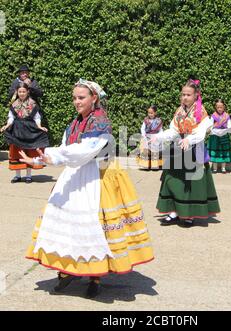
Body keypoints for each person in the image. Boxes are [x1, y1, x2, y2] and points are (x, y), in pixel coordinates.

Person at [20, 79, 154, 299]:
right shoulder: (74, 124)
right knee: (67, 221)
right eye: (74, 98)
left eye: (81, 98)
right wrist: (41, 160)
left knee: (97, 225)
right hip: (76, 174)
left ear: (94, 99)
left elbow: (84, 150)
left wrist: (53, 155)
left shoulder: (100, 123)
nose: (76, 102)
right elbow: (68, 149)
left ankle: (95, 276)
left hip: (99, 177)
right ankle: (71, 269)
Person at [154, 78, 220, 227]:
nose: (185, 97)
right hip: (178, 149)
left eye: (188, 95)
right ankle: (174, 211)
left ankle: (189, 213)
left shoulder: (200, 112)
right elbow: (173, 130)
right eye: (183, 94)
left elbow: (201, 133)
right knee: (171, 179)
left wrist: (189, 140)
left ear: (196, 95)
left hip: (194, 150)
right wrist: (158, 137)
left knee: (191, 183)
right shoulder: (179, 110)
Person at [1, 82, 49, 183]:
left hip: (29, 130)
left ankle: (28, 176)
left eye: (24, 91)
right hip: (17, 131)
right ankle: (17, 175)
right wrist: (6, 125)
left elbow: (37, 117)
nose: (22, 93)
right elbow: (11, 118)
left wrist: (40, 127)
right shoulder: (13, 104)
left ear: (27, 92)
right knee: (16, 153)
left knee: (29, 152)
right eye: (20, 92)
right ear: (17, 92)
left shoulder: (33, 103)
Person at [206, 99, 231, 174]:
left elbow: (229, 125)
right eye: (218, 107)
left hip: (224, 135)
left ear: (224, 107)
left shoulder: (226, 116)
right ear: (215, 107)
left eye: (221, 107)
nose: (219, 109)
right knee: (215, 152)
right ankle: (214, 168)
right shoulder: (213, 116)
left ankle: (223, 168)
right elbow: (210, 126)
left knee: (224, 152)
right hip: (215, 136)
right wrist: (209, 130)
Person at [136, 105, 163, 170]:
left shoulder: (158, 121)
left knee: (155, 151)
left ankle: (154, 165)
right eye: (149, 113)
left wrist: (159, 137)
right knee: (145, 150)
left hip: (155, 137)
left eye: (151, 113)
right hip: (146, 137)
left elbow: (161, 130)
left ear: (155, 113)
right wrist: (143, 135)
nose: (150, 114)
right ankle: (145, 165)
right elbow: (143, 128)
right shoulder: (146, 120)